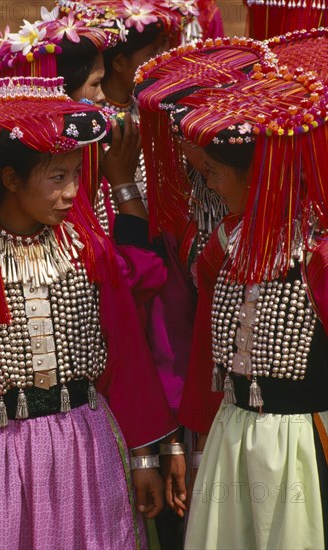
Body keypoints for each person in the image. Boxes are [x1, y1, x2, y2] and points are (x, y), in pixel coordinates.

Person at [0, 76, 178, 550]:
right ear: (11, 179)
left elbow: (125, 358)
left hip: (88, 442)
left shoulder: (89, 251)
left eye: (76, 175)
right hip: (4, 452)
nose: (71, 193)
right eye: (56, 177)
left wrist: (144, 456)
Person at [134, 37, 328, 549]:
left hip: (304, 441)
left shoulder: (315, 251)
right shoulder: (225, 245)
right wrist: (197, 441)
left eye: (216, 173)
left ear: (258, 175)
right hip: (233, 432)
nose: (212, 185)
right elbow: (205, 352)